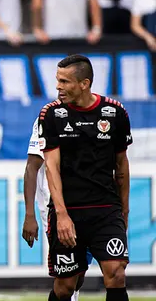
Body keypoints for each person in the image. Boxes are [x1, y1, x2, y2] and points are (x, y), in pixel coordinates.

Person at [37, 54, 132, 301]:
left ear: (84, 83)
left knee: (116, 273)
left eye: (65, 81)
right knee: (66, 286)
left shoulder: (115, 113)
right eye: (57, 80)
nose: (58, 86)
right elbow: (51, 168)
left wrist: (124, 212)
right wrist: (62, 215)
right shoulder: (51, 114)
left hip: (105, 209)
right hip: (69, 209)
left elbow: (121, 166)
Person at [22, 118, 92, 301]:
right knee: (68, 276)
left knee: (80, 271)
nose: (61, 88)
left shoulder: (96, 114)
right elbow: (32, 167)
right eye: (61, 85)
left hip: (89, 203)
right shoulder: (47, 117)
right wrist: (30, 215)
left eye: (67, 85)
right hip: (54, 207)